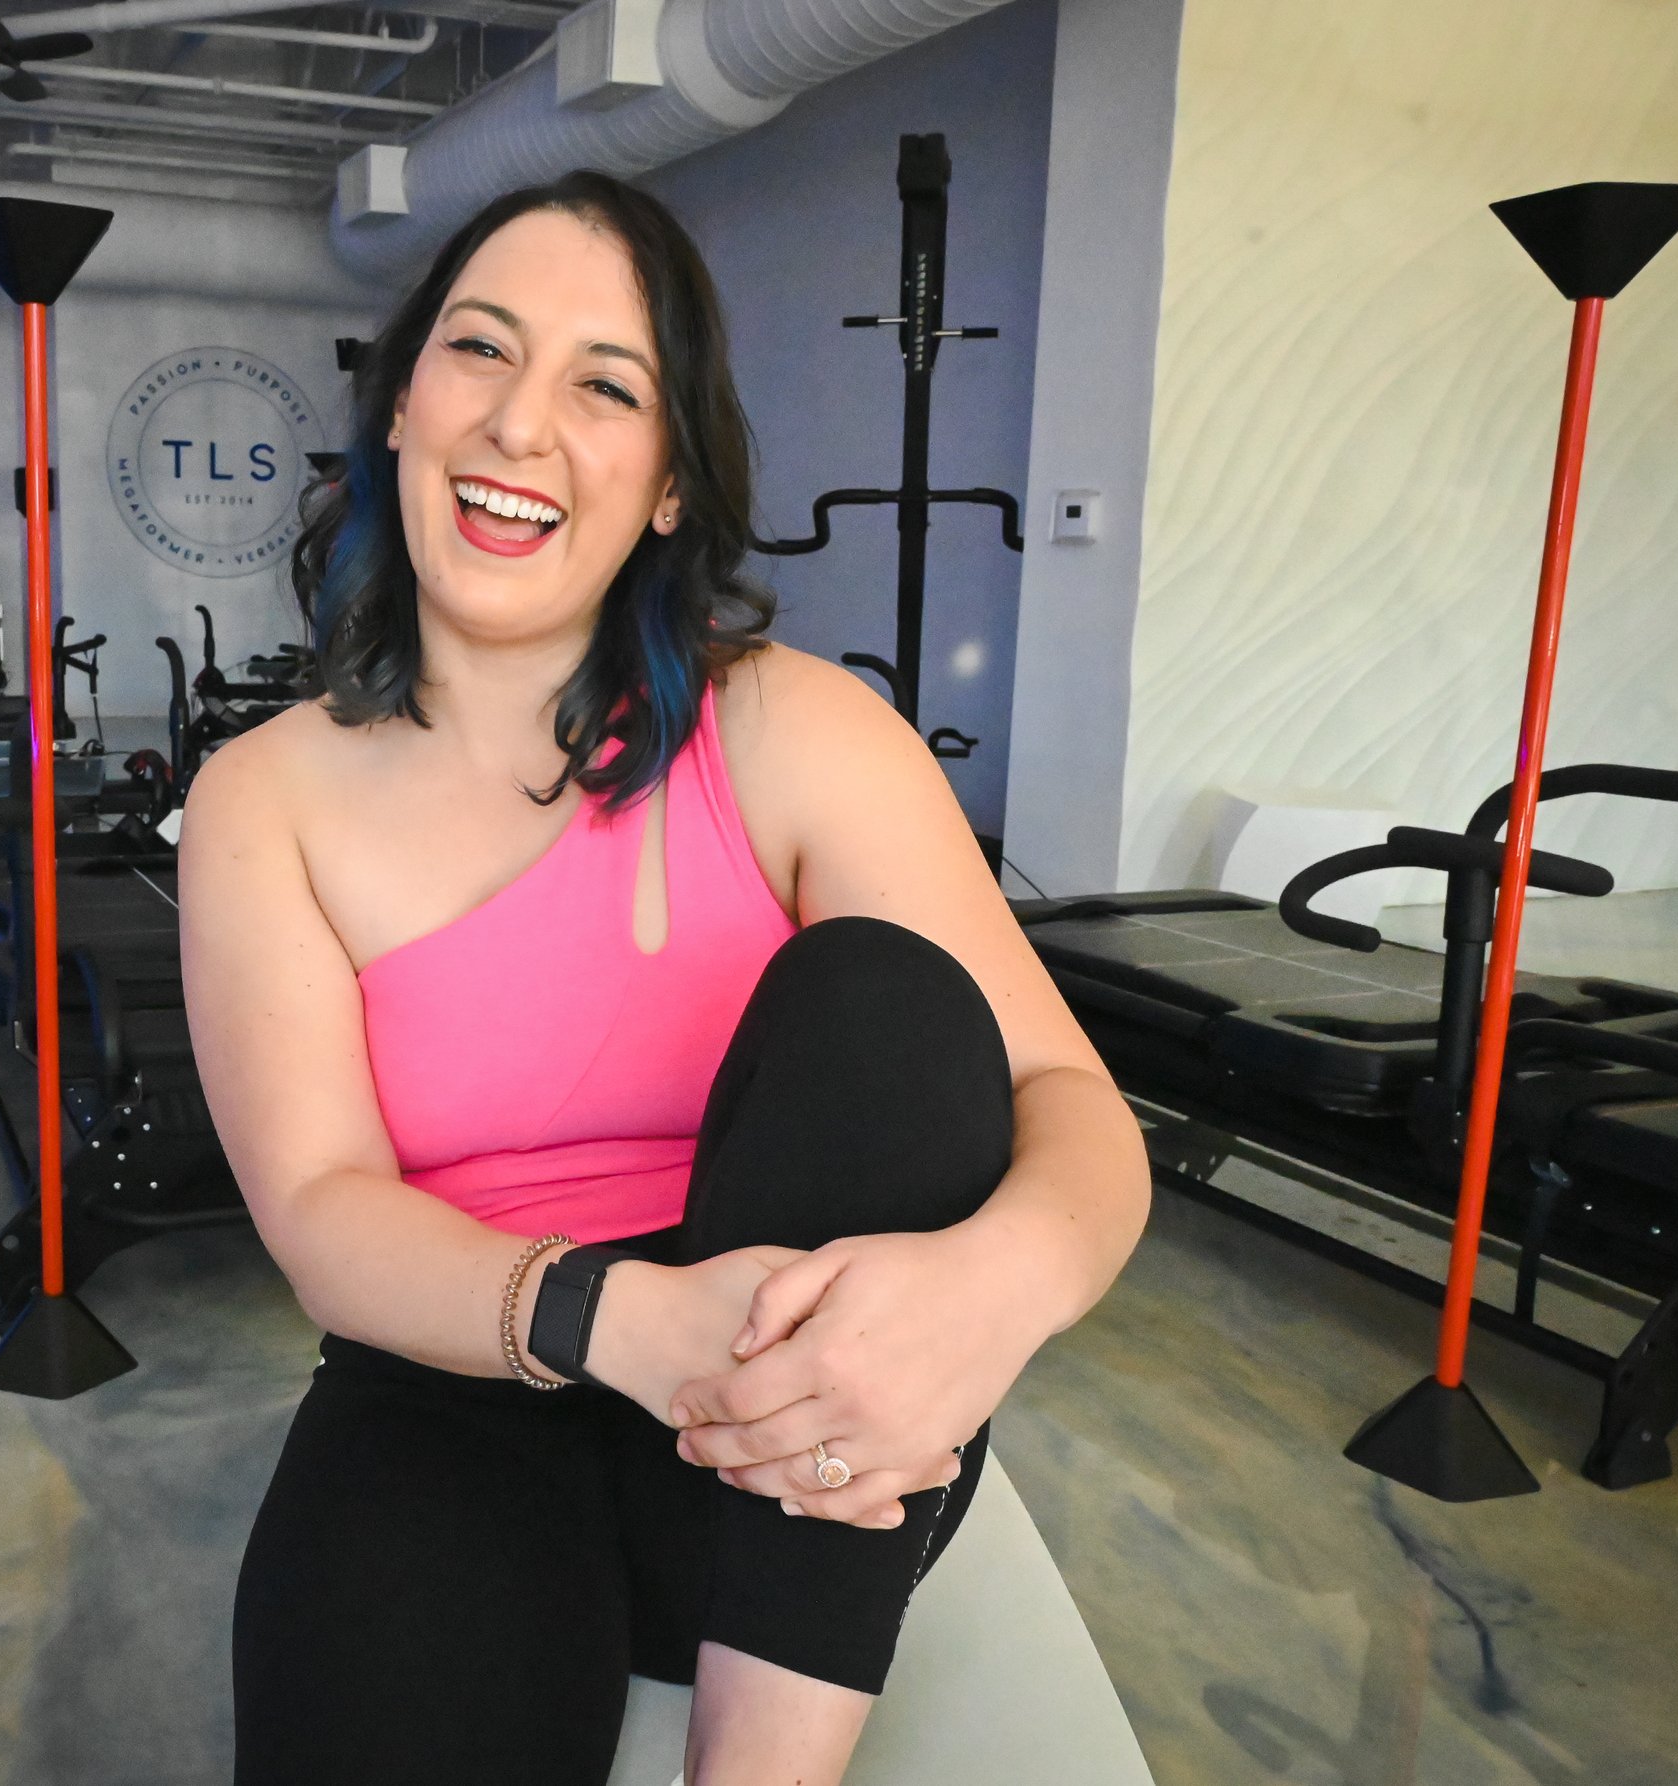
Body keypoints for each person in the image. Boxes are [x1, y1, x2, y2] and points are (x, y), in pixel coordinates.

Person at [180, 170, 1150, 1786]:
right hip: (454, 1386)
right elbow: (324, 1208)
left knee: (886, 999)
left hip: (782, 1423)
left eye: (604, 386)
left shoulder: (795, 728)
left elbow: (1071, 1106)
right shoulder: (266, 794)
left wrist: (998, 1290)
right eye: (480, 354)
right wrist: (621, 1319)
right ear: (405, 405)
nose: (520, 427)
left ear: (672, 487)